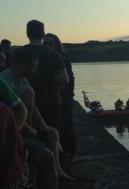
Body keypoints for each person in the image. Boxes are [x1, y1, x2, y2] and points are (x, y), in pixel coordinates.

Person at [0, 75, 71, 189]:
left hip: (9, 134)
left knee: (47, 154)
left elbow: (21, 110)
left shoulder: (3, 85)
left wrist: (13, 136)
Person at [1, 47, 72, 180]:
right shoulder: (5, 81)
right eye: (33, 67)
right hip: (13, 130)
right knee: (45, 152)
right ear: (23, 65)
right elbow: (9, 115)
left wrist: (43, 125)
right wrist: (29, 129)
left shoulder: (22, 79)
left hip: (25, 126)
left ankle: (58, 171)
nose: (35, 70)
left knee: (52, 133)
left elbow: (33, 108)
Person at [25, 20, 68, 130]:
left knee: (29, 135)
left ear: (27, 33)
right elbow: (64, 79)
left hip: (26, 101)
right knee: (51, 133)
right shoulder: (54, 54)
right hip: (51, 100)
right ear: (43, 34)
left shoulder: (19, 52)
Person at [44, 33, 77, 157]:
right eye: (45, 43)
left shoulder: (62, 58)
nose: (47, 46)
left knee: (66, 124)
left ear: (56, 44)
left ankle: (70, 152)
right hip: (56, 96)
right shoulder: (49, 58)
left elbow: (68, 79)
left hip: (65, 96)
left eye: (50, 43)